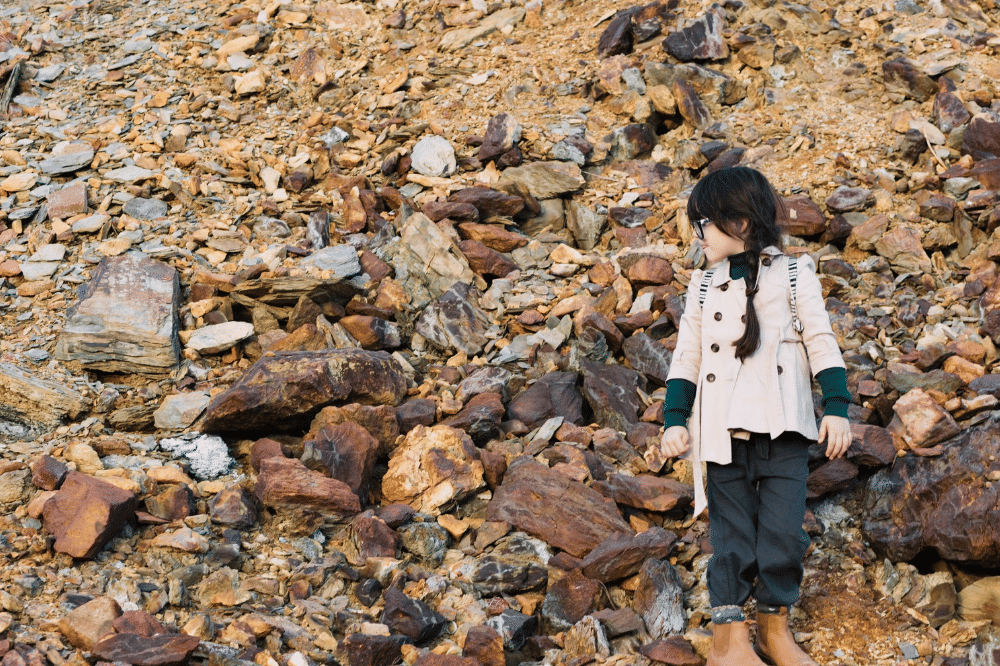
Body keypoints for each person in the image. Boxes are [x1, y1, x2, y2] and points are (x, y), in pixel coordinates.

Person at [646, 166, 852, 666]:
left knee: (783, 535)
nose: (698, 235)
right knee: (732, 539)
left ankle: (773, 630)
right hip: (723, 433)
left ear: (739, 223)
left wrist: (837, 408)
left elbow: (821, 342)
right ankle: (728, 641)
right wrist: (675, 420)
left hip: (785, 431)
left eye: (704, 223)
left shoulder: (796, 274)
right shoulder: (702, 285)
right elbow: (687, 359)